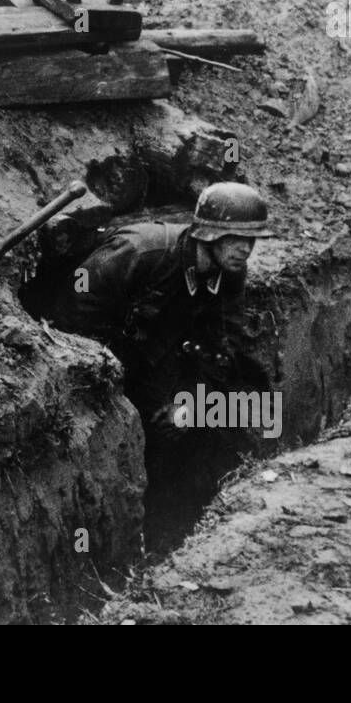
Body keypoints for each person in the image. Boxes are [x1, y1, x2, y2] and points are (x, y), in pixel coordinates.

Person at [47, 182, 276, 547]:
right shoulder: (142, 251)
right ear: (209, 233)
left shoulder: (231, 272)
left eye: (252, 241)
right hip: (103, 359)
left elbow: (222, 345)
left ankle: (179, 525)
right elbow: (71, 314)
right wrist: (111, 386)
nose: (245, 250)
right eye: (236, 238)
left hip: (159, 356)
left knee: (241, 396)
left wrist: (188, 404)